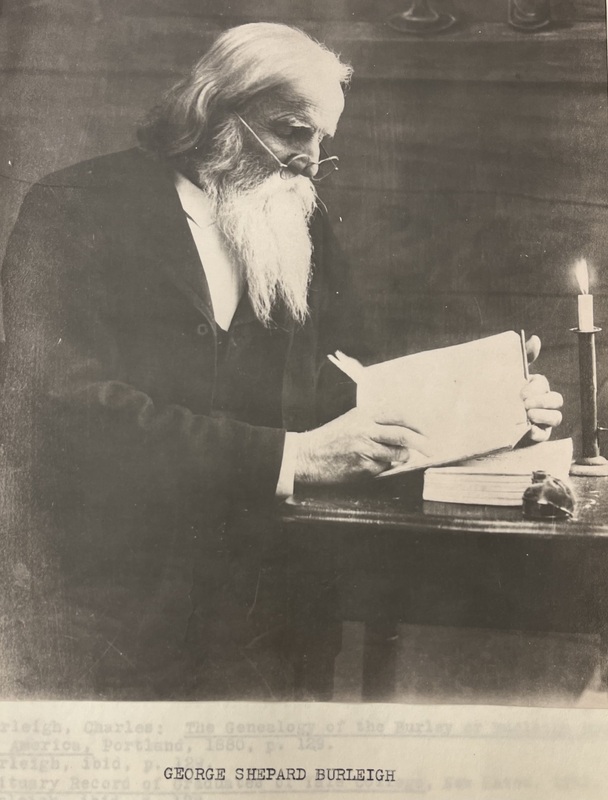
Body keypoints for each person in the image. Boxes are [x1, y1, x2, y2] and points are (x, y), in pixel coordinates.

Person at [1, 23, 562, 699]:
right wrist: (293, 459)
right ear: (211, 110)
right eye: (292, 131)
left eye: (323, 141)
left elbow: (346, 385)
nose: (309, 161)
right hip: (111, 609)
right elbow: (65, 410)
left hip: (273, 610)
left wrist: (493, 413)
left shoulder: (300, 223)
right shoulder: (74, 208)